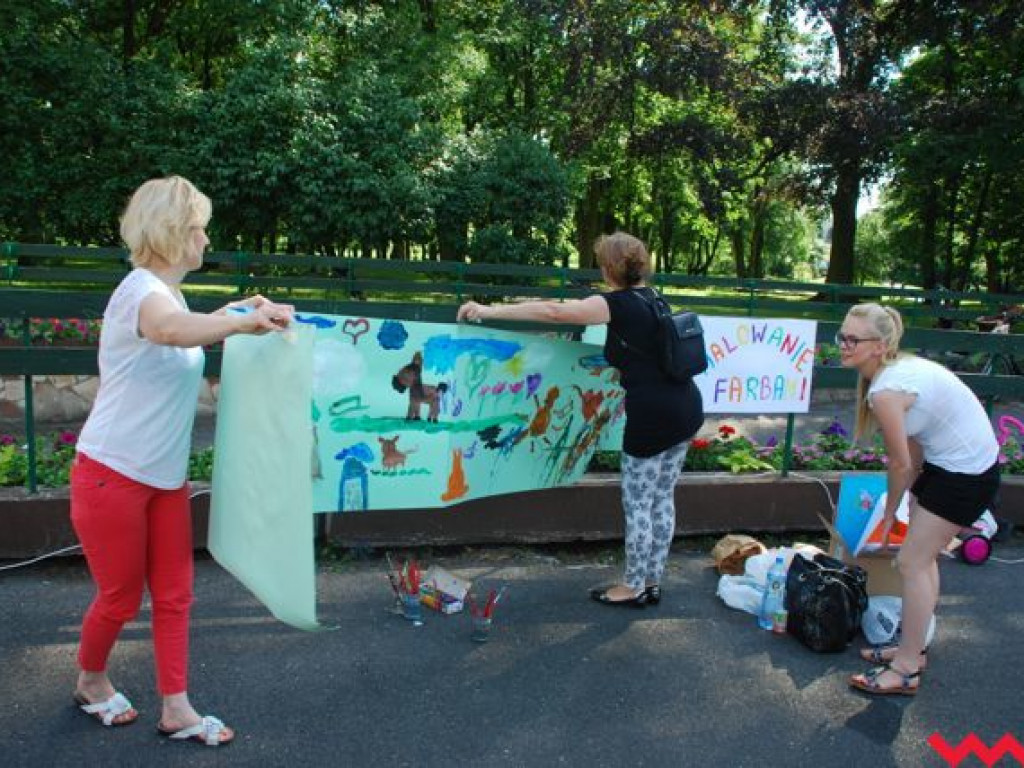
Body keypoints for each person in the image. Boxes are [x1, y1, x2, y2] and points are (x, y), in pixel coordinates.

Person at [70, 176, 294, 744]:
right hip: (111, 475)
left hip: (165, 480)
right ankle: (90, 680)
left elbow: (183, 324)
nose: (205, 238)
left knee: (175, 596)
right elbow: (166, 331)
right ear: (176, 233)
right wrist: (242, 323)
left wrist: (239, 308)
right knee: (119, 597)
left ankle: (177, 709)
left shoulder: (170, 294)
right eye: (200, 227)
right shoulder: (138, 292)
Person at [458, 232, 704, 607]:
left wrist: (488, 311)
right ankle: (652, 581)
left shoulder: (616, 303)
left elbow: (553, 311)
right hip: (685, 408)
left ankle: (633, 586)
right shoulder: (653, 298)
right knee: (661, 500)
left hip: (653, 416)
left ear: (608, 268)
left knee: (638, 505)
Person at [839, 303, 1000, 696]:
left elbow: (898, 462)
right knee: (920, 560)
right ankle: (914, 648)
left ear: (878, 347)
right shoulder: (898, 374)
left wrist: (891, 510)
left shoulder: (887, 391)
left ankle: (907, 668)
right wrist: (910, 499)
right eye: (841, 336)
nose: (842, 345)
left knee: (911, 561)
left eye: (852, 339)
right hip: (952, 467)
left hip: (967, 475)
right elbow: (913, 453)